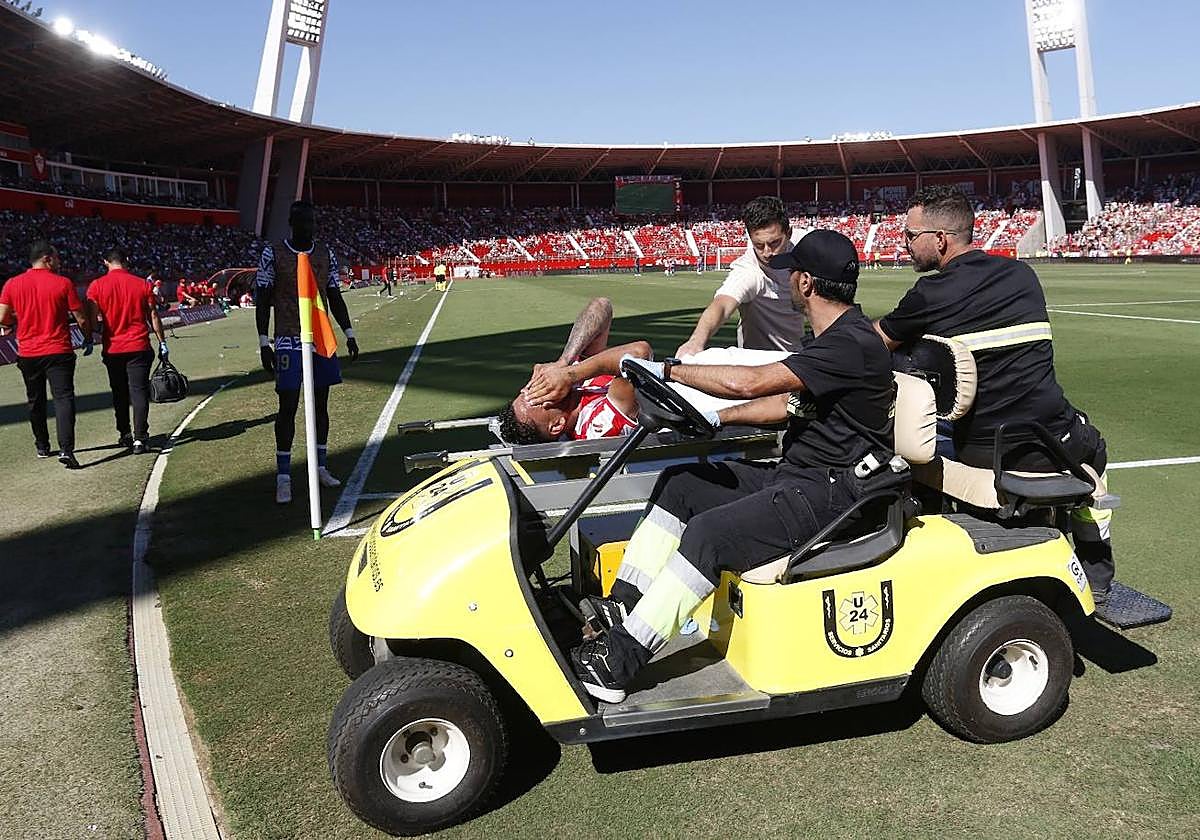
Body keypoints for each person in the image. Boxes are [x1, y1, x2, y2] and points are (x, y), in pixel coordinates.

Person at [571, 229, 895, 702]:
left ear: (805, 283)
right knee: (683, 484)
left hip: (836, 495)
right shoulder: (833, 339)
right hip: (801, 477)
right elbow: (786, 404)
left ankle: (618, 660)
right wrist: (715, 417)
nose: (786, 283)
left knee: (710, 534)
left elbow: (752, 383)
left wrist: (665, 371)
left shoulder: (849, 344)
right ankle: (624, 606)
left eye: (791, 275)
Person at [872, 185, 1115, 600]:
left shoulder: (928, 294)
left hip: (984, 452)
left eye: (911, 236)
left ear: (941, 240)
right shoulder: (1022, 275)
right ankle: (1096, 569)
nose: (905, 244)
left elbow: (875, 344)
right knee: (1096, 451)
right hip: (1054, 442)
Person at [256, 200, 360, 504]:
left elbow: (335, 295)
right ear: (292, 223)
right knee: (288, 406)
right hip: (288, 337)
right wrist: (264, 341)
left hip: (319, 338)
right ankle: (284, 475)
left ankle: (321, 466)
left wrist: (349, 333)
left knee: (321, 405)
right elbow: (263, 298)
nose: (309, 228)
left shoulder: (325, 253)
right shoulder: (272, 253)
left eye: (313, 222)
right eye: (303, 222)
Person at [496, 297, 651, 444]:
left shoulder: (573, 387)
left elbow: (601, 306)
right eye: (535, 399)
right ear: (557, 425)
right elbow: (640, 354)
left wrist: (564, 362)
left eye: (526, 391)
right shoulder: (596, 428)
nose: (535, 388)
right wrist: (569, 375)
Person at [675, 196, 807, 357]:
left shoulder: (805, 246)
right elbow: (722, 305)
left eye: (774, 243)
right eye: (758, 245)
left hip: (799, 355)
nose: (767, 252)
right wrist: (695, 342)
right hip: (759, 363)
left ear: (789, 233)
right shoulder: (749, 271)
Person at [0, 240, 91, 468]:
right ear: (47, 258)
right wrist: (88, 336)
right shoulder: (62, 283)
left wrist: (16, 320)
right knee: (63, 398)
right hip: (58, 349)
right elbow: (80, 317)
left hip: (29, 352)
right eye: (57, 258)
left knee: (35, 400)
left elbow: (3, 318)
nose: (59, 262)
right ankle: (66, 449)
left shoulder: (12, 284)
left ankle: (42, 445)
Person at [86, 247, 168, 454]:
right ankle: (141, 438)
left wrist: (97, 331)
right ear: (127, 260)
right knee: (139, 391)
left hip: (113, 347)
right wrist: (162, 342)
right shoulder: (142, 284)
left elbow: (94, 319)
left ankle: (125, 433)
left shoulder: (97, 286)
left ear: (106, 262)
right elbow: (154, 316)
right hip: (139, 345)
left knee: (119, 393)